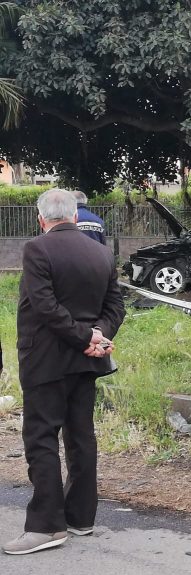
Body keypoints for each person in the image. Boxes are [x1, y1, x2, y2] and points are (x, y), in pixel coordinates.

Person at [3, 189, 125, 556]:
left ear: (41, 219)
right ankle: (80, 517)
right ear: (75, 215)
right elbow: (115, 305)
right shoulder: (101, 252)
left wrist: (85, 336)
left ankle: (45, 526)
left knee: (41, 438)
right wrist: (97, 335)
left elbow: (44, 306)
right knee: (81, 436)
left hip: (47, 360)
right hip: (87, 360)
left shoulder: (37, 249)